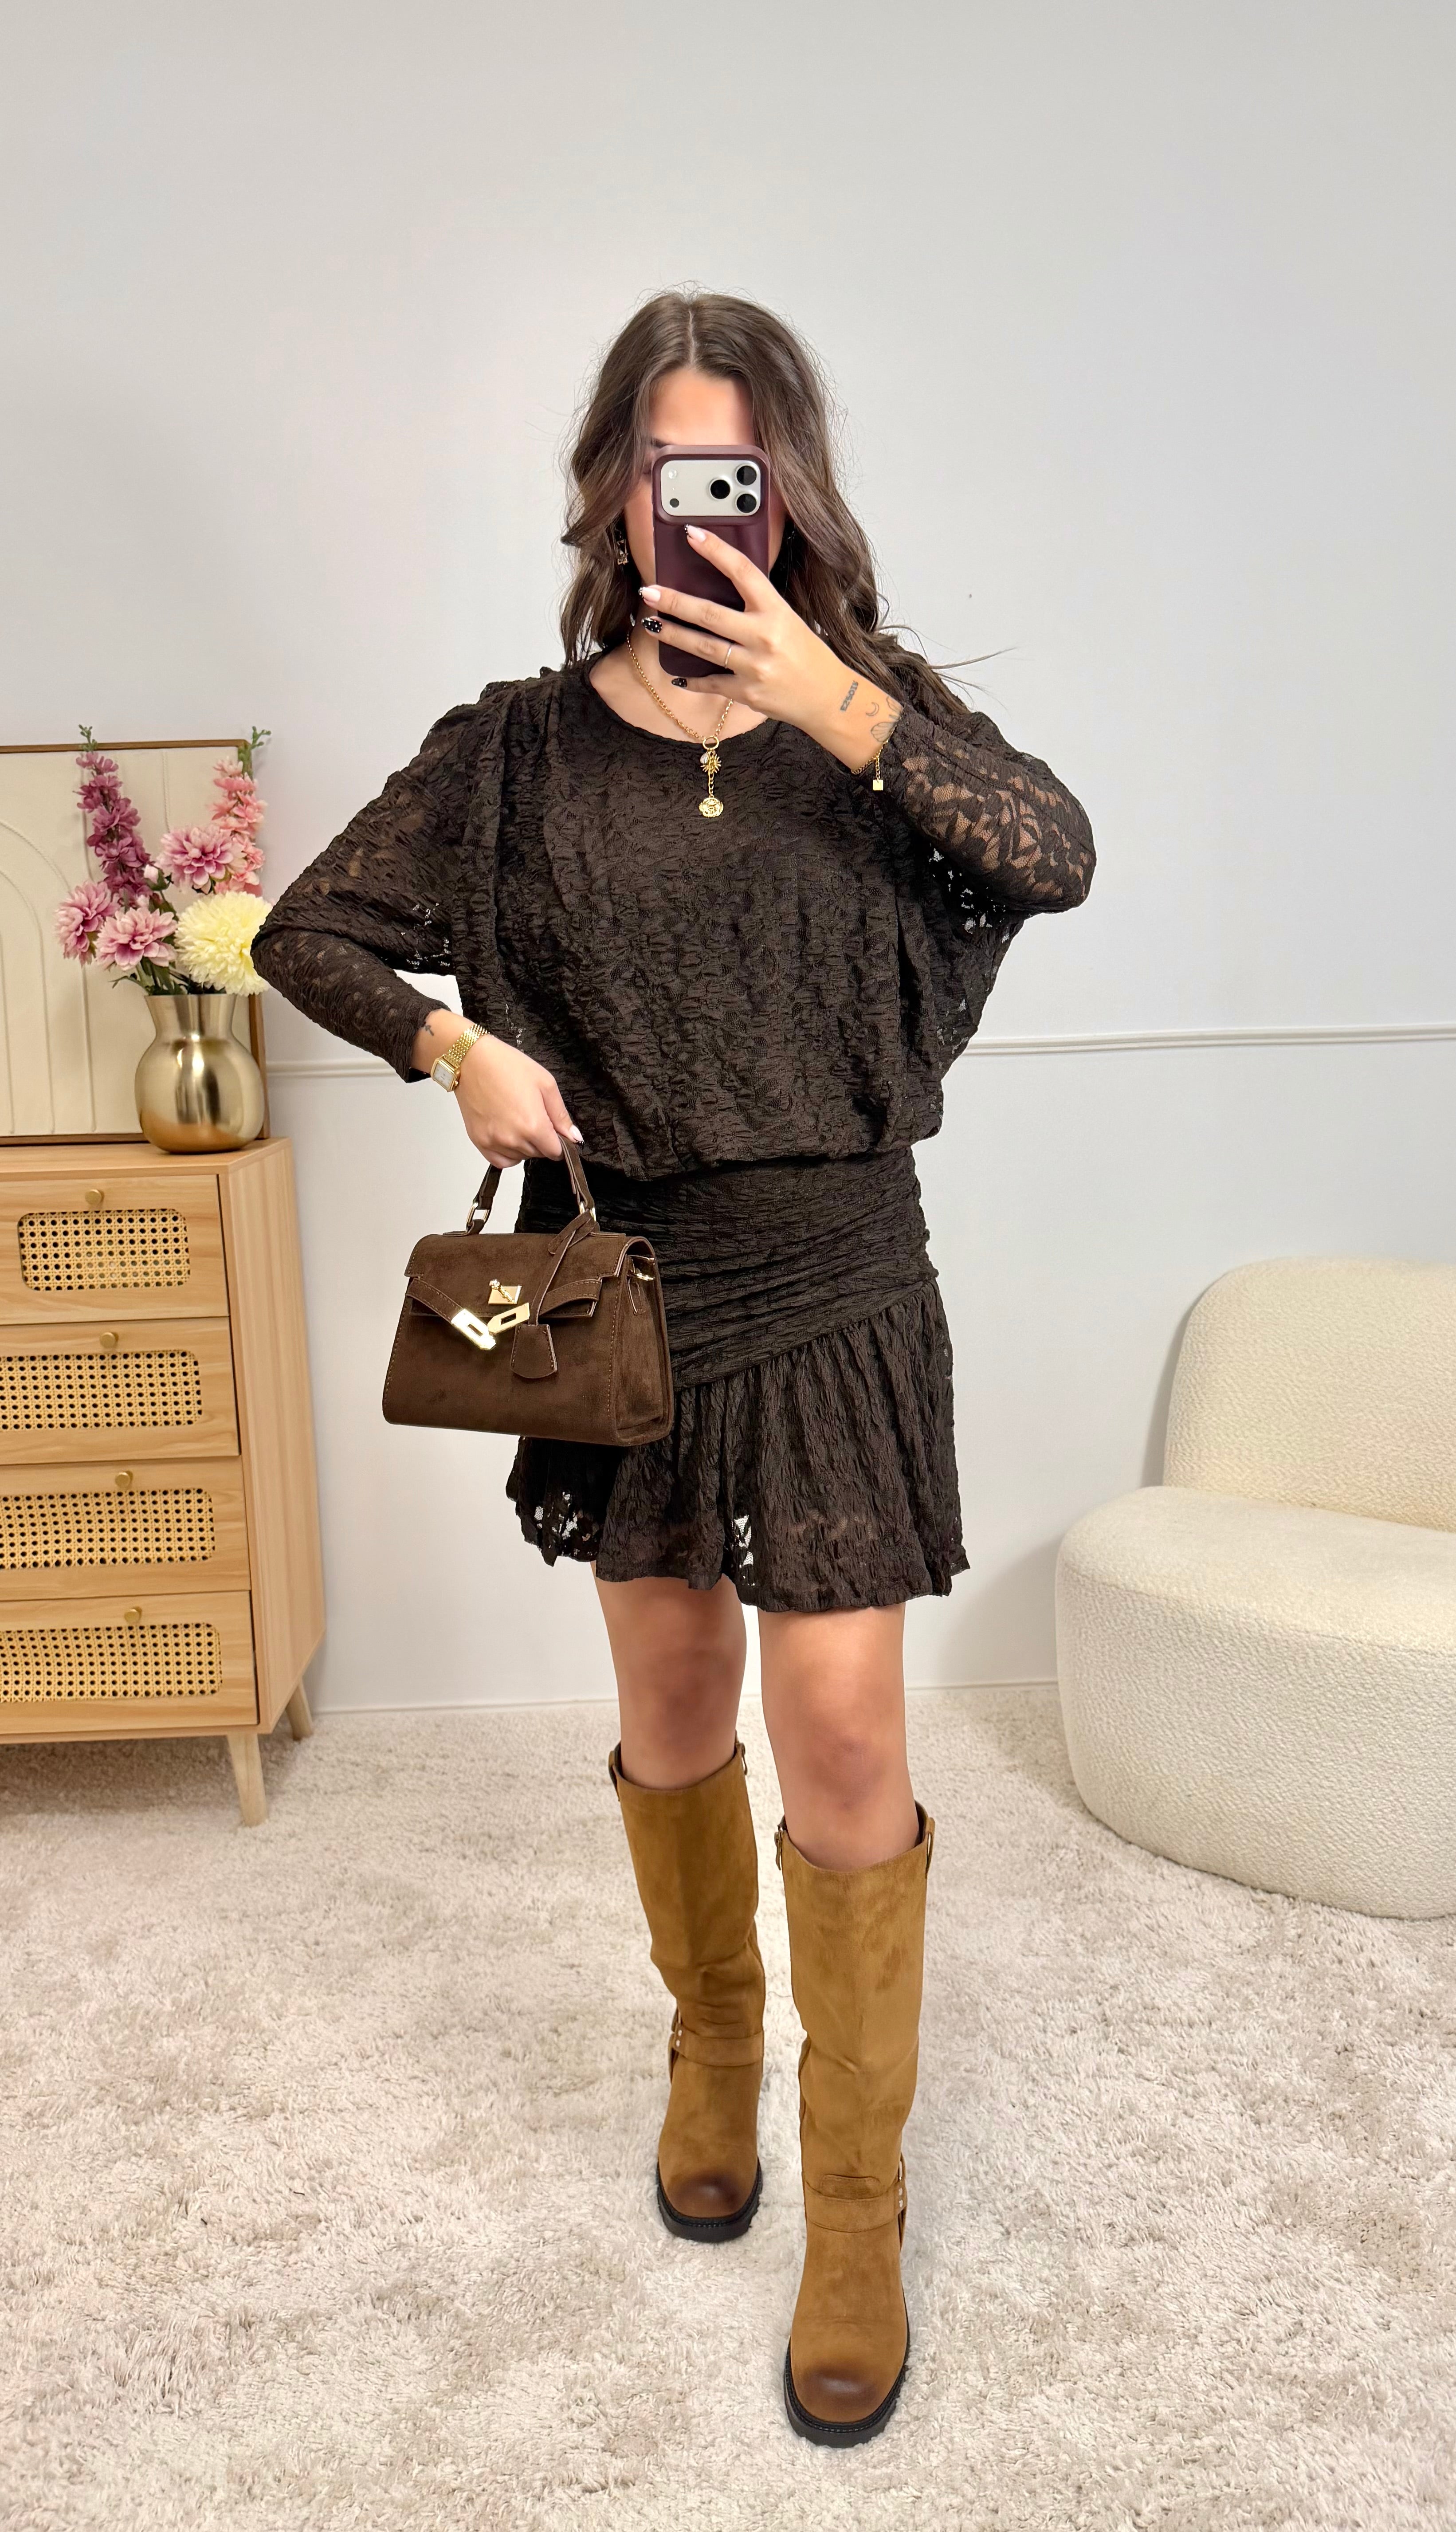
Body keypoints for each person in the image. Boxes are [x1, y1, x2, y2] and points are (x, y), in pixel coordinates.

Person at [251, 289, 1095, 2447]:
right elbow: (307, 933)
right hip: (615, 1281)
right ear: (609, 492)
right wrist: (450, 1044)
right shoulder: (514, 754)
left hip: (835, 1274)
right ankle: (711, 2052)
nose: (690, 503)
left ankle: (855, 2215)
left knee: (842, 1732)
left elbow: (1054, 856)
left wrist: (828, 697)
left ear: (786, 490)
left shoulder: (873, 719)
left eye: (731, 466)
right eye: (657, 465)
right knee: (667, 1704)